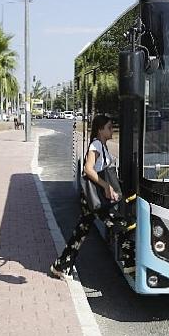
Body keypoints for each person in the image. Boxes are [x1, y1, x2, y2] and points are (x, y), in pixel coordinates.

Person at [50, 115, 135, 278]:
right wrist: (106, 186)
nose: (112, 130)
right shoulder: (96, 145)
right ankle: (130, 264)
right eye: (109, 127)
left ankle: (60, 265)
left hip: (91, 198)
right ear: (100, 130)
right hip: (94, 198)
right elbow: (88, 169)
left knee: (81, 231)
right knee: (124, 225)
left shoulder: (101, 145)